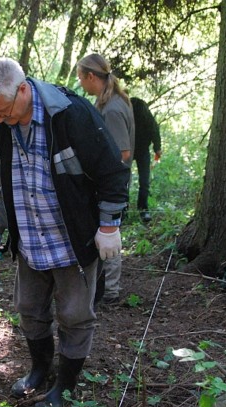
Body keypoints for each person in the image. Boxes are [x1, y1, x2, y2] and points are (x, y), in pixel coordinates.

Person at [0, 57, 129, 407]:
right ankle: (40, 368)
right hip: (29, 240)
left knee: (74, 315)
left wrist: (108, 227)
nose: (0, 119)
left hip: (71, 241)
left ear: (23, 90)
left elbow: (112, 174)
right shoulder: (2, 126)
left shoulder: (71, 115)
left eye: (4, 111)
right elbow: (3, 188)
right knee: (28, 309)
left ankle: (65, 385)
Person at [77, 53, 135, 304]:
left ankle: (110, 290)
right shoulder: (106, 103)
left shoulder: (112, 108)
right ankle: (100, 287)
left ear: (91, 77)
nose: (80, 83)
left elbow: (122, 152)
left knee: (109, 232)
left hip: (111, 185)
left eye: (81, 78)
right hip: (106, 182)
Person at [130, 97, 162, 223]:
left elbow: (154, 130)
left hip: (142, 150)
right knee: (126, 181)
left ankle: (143, 208)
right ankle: (125, 209)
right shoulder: (125, 113)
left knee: (144, 181)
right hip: (128, 149)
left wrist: (157, 148)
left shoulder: (144, 114)